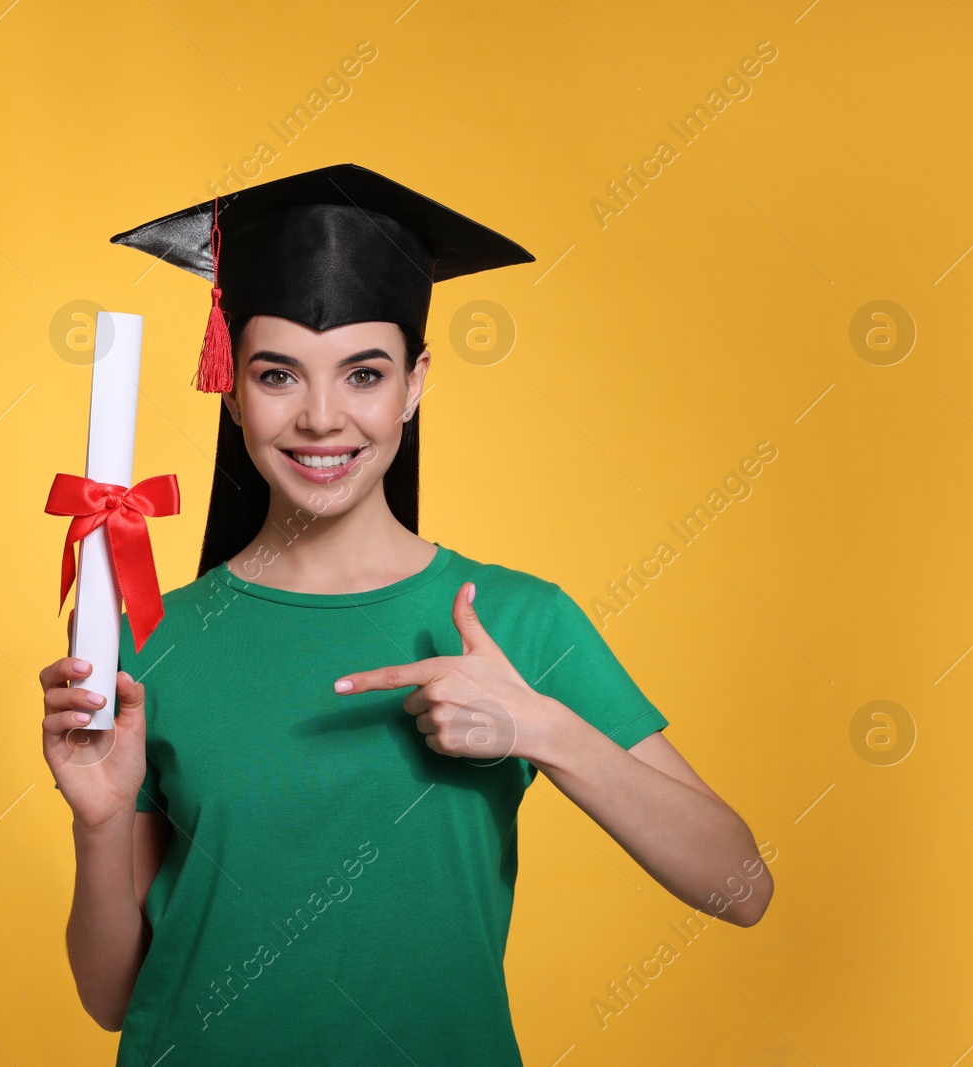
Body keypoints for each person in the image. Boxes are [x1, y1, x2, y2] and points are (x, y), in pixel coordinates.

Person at [40, 164, 772, 1065]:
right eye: (278, 374)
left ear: (415, 384)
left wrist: (541, 727)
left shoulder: (516, 621)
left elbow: (742, 884)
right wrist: (102, 821)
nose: (320, 417)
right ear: (232, 387)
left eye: (364, 373)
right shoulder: (148, 636)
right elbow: (115, 998)